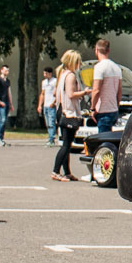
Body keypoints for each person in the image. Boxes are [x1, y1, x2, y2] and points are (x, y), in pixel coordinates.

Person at [50, 49, 83, 181]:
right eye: (78, 61)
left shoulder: (62, 74)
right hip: (68, 112)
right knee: (66, 144)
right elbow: (71, 94)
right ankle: (55, 171)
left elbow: (56, 93)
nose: (79, 64)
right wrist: (85, 93)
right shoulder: (70, 76)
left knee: (67, 142)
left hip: (61, 110)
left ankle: (67, 171)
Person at [90, 39, 124, 134]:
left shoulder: (99, 67)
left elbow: (96, 90)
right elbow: (119, 90)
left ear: (96, 50)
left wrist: (92, 108)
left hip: (103, 110)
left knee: (103, 141)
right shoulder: (116, 67)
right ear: (108, 50)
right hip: (113, 109)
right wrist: (116, 105)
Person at [0, 64, 11, 146]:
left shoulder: (7, 81)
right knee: (2, 120)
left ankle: (1, 138)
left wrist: (11, 103)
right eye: (5, 70)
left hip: (6, 102)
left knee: (4, 121)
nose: (7, 71)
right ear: (1, 70)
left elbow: (9, 92)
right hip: (1, 103)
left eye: (8, 70)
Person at [39, 65, 57, 144]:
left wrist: (54, 103)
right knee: (47, 122)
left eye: (45, 73)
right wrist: (40, 105)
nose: (44, 75)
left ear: (50, 74)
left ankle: (51, 138)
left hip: (51, 105)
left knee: (51, 122)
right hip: (45, 105)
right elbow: (42, 94)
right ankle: (50, 136)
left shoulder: (55, 81)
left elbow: (57, 93)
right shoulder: (44, 82)